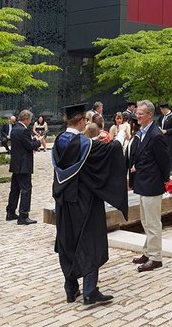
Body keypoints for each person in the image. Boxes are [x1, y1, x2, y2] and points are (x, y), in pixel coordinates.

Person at [52, 103, 129, 305]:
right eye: (85, 121)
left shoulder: (59, 141)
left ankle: (71, 289)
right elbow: (111, 150)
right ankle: (90, 291)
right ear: (79, 121)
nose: (87, 124)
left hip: (63, 202)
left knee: (68, 242)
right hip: (84, 202)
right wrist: (121, 134)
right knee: (90, 242)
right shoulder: (85, 145)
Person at [126, 100, 170, 272]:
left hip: (152, 183)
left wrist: (165, 179)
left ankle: (156, 257)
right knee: (145, 220)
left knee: (153, 223)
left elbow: (163, 160)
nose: (137, 115)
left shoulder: (156, 135)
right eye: (137, 113)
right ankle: (148, 251)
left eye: (141, 114)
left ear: (150, 115)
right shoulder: (142, 132)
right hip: (143, 182)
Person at [5, 109, 46, 225]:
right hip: (24, 164)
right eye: (30, 120)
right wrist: (38, 141)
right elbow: (30, 145)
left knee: (15, 189)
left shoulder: (14, 129)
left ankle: (10, 212)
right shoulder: (23, 130)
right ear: (27, 119)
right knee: (26, 189)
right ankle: (23, 215)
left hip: (15, 163)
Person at [158, 102, 172, 176]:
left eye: (161, 109)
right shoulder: (161, 117)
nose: (161, 111)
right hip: (163, 138)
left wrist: (166, 131)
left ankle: (171, 169)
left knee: (170, 154)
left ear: (165, 109)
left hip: (170, 139)